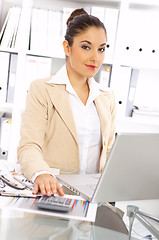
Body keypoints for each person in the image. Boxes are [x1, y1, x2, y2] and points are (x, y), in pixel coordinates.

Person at [17, 8, 116, 197]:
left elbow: (110, 152)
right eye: (86, 47)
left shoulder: (106, 96)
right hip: (55, 193)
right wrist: (41, 172)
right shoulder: (42, 89)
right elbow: (29, 145)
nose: (96, 57)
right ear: (67, 48)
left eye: (101, 49)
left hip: (94, 197)